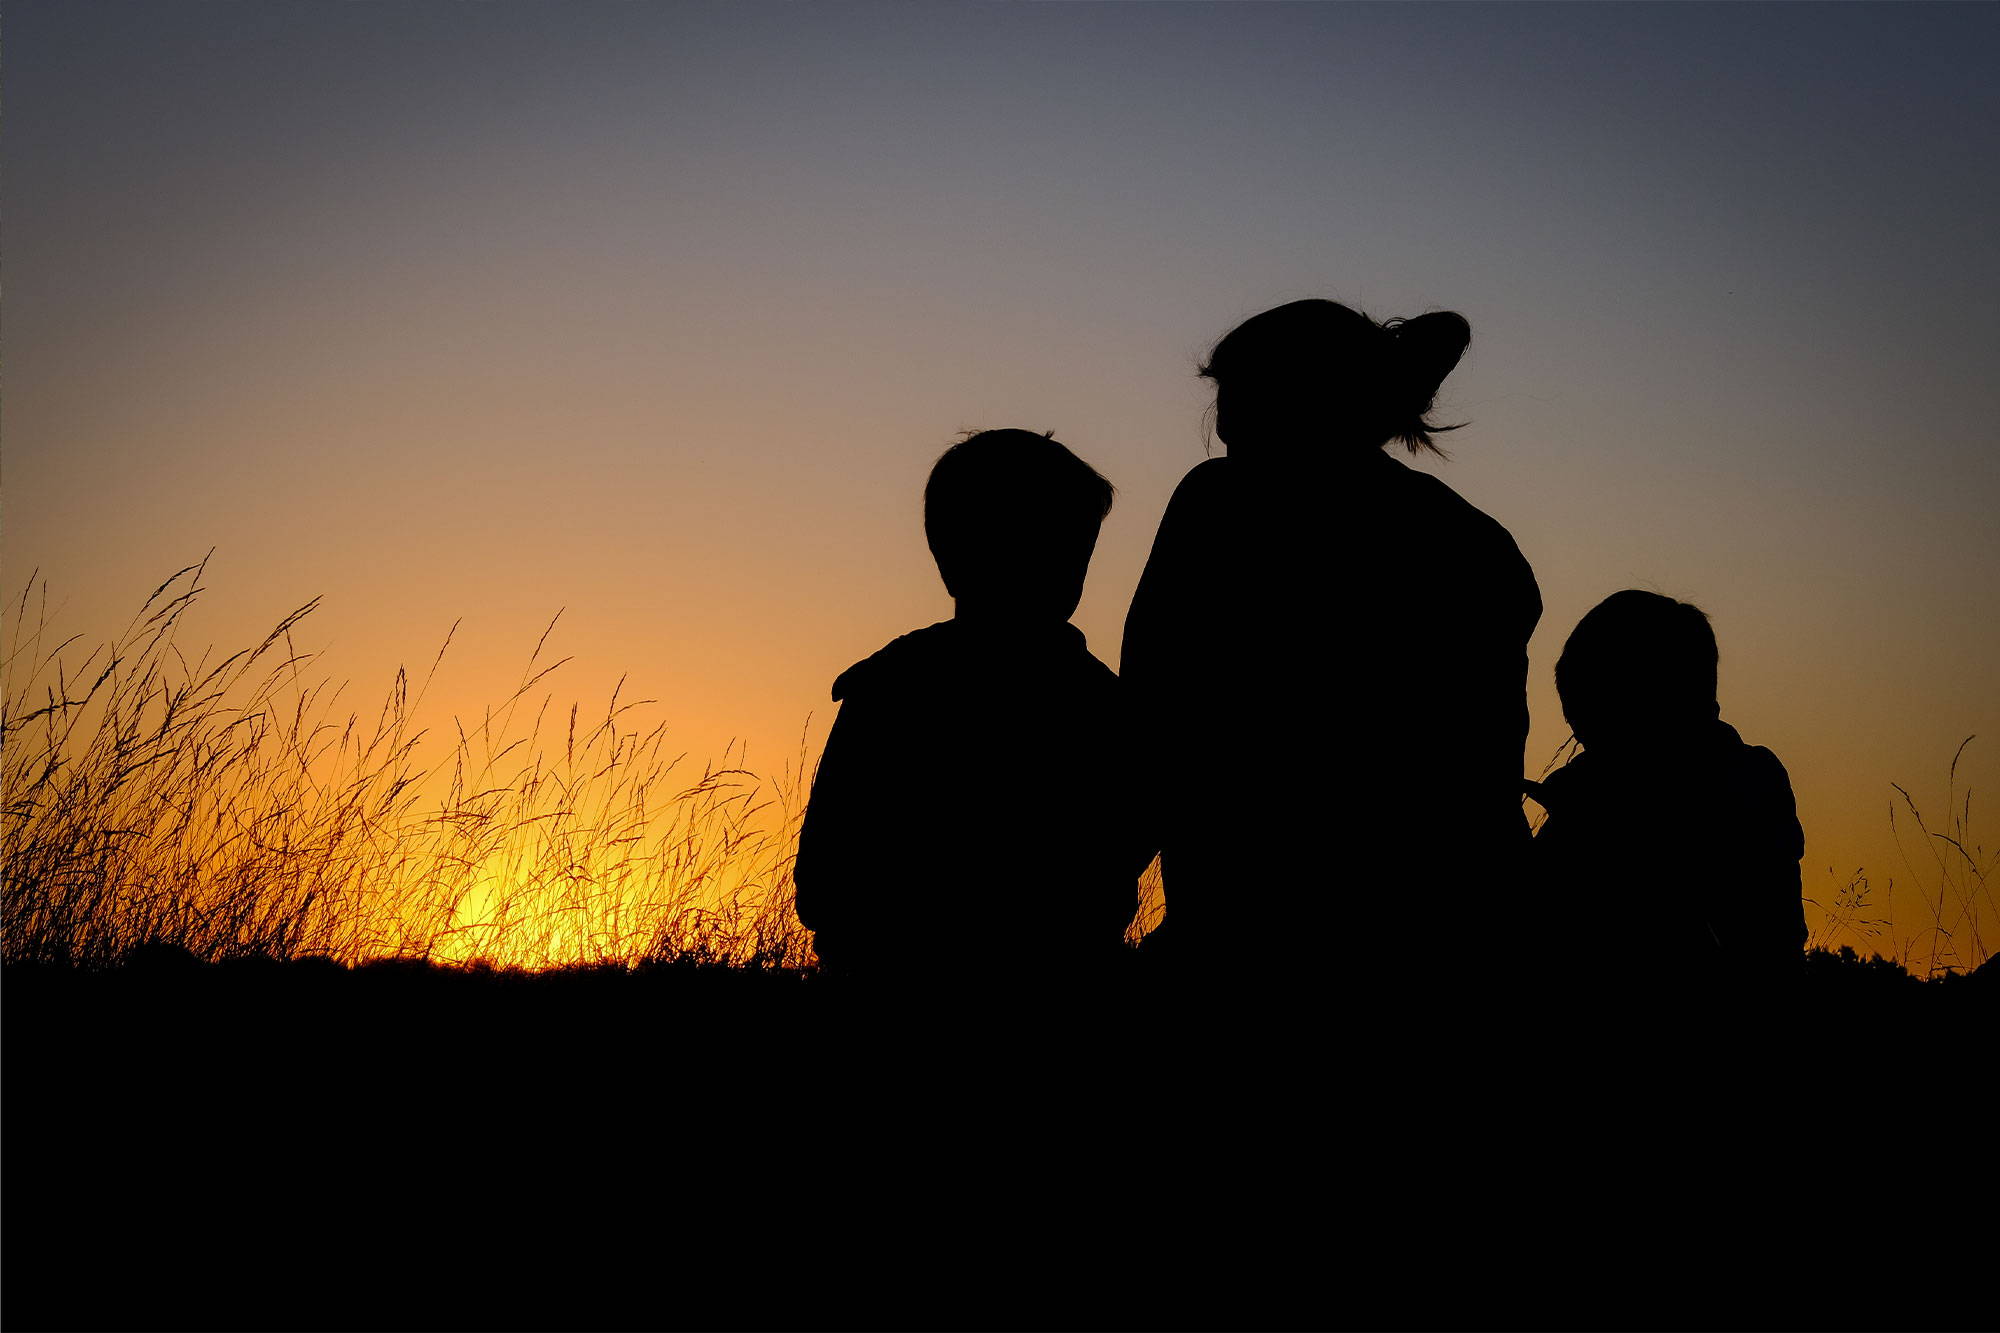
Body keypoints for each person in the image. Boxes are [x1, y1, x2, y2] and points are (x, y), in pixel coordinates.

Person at [1120, 299, 1540, 1004]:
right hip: (1455, 951)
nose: (1221, 422)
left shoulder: (1220, 509)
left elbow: (1150, 723)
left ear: (1300, 397)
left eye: (1237, 394)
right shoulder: (1475, 546)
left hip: (1256, 951)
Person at [794, 429, 1153, 988]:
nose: (1066, 567)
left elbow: (825, 876)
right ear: (955, 554)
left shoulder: (890, 686)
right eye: (1049, 544)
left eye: (1074, 548)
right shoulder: (1103, 706)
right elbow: (828, 877)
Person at [1527, 590, 1806, 999]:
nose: (1584, 741)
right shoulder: (1593, 789)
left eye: (1598, 721)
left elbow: (1746, 947)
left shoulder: (1741, 784)